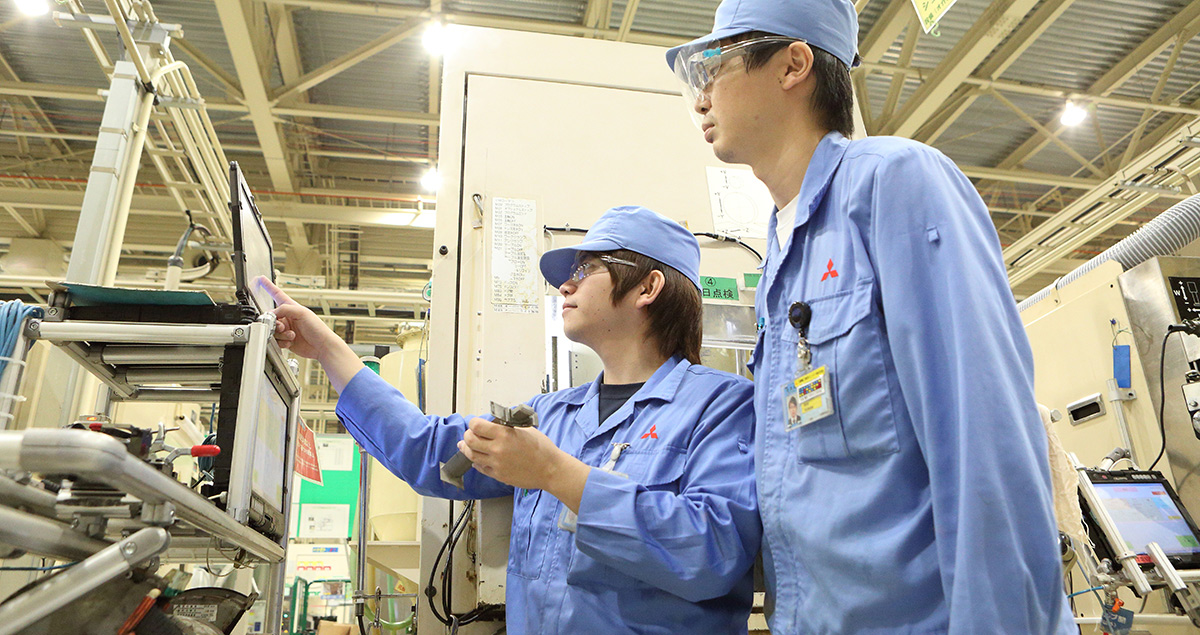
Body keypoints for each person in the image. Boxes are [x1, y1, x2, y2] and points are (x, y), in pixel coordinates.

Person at [665, 1, 1076, 632]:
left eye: (711, 66)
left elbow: (984, 442)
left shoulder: (896, 183)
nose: (699, 99)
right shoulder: (780, 247)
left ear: (792, 64)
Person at [260, 205, 761, 634]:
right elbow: (426, 449)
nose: (566, 284)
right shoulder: (552, 416)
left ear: (648, 286)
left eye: (586, 271)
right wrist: (326, 347)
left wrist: (555, 475)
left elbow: (713, 552)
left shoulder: (724, 406)